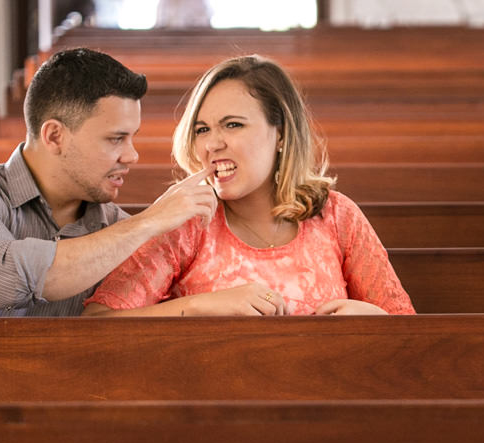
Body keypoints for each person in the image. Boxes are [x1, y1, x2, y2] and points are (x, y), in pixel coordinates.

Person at [83, 55, 413, 317]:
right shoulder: (186, 222)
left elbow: (408, 328)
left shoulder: (338, 216)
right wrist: (200, 307)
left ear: (281, 133)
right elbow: (99, 322)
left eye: (233, 125)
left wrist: (372, 319)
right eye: (202, 130)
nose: (212, 144)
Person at [0, 48, 218, 318]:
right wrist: (150, 221)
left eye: (132, 138)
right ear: (54, 135)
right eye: (115, 139)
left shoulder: (117, 230)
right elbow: (8, 282)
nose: (132, 155)